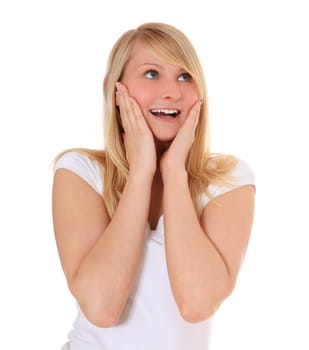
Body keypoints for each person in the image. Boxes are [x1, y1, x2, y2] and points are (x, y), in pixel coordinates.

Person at [52, 22, 255, 350]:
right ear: (115, 90)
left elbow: (197, 304)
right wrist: (140, 174)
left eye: (185, 76)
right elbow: (102, 308)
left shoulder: (230, 180)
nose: (172, 91)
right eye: (151, 73)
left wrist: (174, 172)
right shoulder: (80, 172)